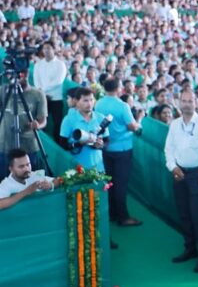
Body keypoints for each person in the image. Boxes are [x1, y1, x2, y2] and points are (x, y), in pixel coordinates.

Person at [164, 90, 198, 272]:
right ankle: (190, 248)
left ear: (196, 103)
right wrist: (173, 167)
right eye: (184, 101)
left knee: (197, 215)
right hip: (179, 173)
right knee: (183, 214)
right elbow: (168, 149)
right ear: (179, 103)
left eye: (190, 101)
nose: (186, 104)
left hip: (197, 174)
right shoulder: (174, 124)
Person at [0, 70, 48, 188]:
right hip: (3, 146)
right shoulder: (3, 90)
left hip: (28, 148)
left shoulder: (38, 94)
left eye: (21, 73)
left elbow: (43, 121)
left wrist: (37, 125)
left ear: (27, 74)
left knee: (29, 185)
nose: (17, 77)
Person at [95, 77, 141, 226]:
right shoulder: (123, 106)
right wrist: (139, 119)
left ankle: (111, 213)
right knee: (120, 184)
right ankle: (123, 217)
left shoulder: (98, 103)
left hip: (105, 148)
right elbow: (132, 127)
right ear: (118, 89)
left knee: (109, 182)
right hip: (122, 150)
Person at [60, 87, 106, 171]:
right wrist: (79, 144)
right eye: (85, 100)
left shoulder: (101, 117)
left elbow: (107, 140)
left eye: (91, 100)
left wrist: (100, 145)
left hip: (97, 167)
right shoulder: (68, 119)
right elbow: (62, 144)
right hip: (76, 168)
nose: (89, 104)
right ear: (77, 102)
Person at [32, 42, 68, 141]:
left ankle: (58, 143)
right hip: (42, 98)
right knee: (41, 122)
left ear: (54, 49)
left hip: (56, 98)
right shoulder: (38, 65)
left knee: (57, 123)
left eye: (48, 48)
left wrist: (43, 91)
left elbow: (58, 81)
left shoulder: (60, 64)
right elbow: (36, 81)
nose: (46, 51)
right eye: (44, 48)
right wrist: (42, 93)